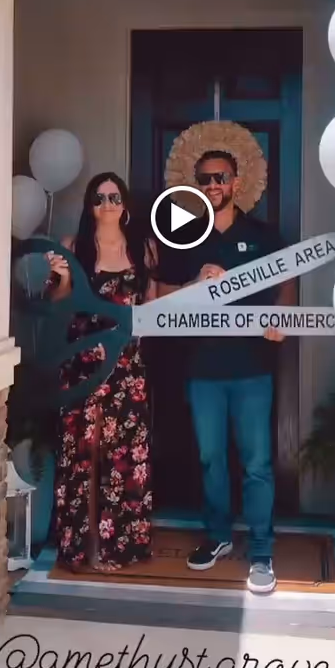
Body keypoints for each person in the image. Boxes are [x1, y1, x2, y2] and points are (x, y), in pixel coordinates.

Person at [158, 150, 296, 595]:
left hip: (252, 367)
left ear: (236, 182)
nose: (213, 185)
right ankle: (218, 536)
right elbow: (161, 295)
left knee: (257, 463)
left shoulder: (263, 235)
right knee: (210, 458)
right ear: (196, 184)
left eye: (221, 177)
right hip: (202, 368)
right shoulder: (184, 235)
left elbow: (287, 281)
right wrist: (194, 284)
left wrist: (282, 317)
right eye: (205, 178)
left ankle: (261, 551)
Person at [47, 172, 158, 573]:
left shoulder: (143, 248)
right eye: (99, 198)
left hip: (126, 368)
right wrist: (62, 278)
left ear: (124, 205)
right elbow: (58, 304)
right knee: (83, 456)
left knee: (123, 456)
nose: (107, 204)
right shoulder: (73, 247)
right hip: (81, 365)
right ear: (89, 206)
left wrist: (200, 283)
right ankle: (84, 548)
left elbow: (152, 309)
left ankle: (119, 547)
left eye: (114, 197)